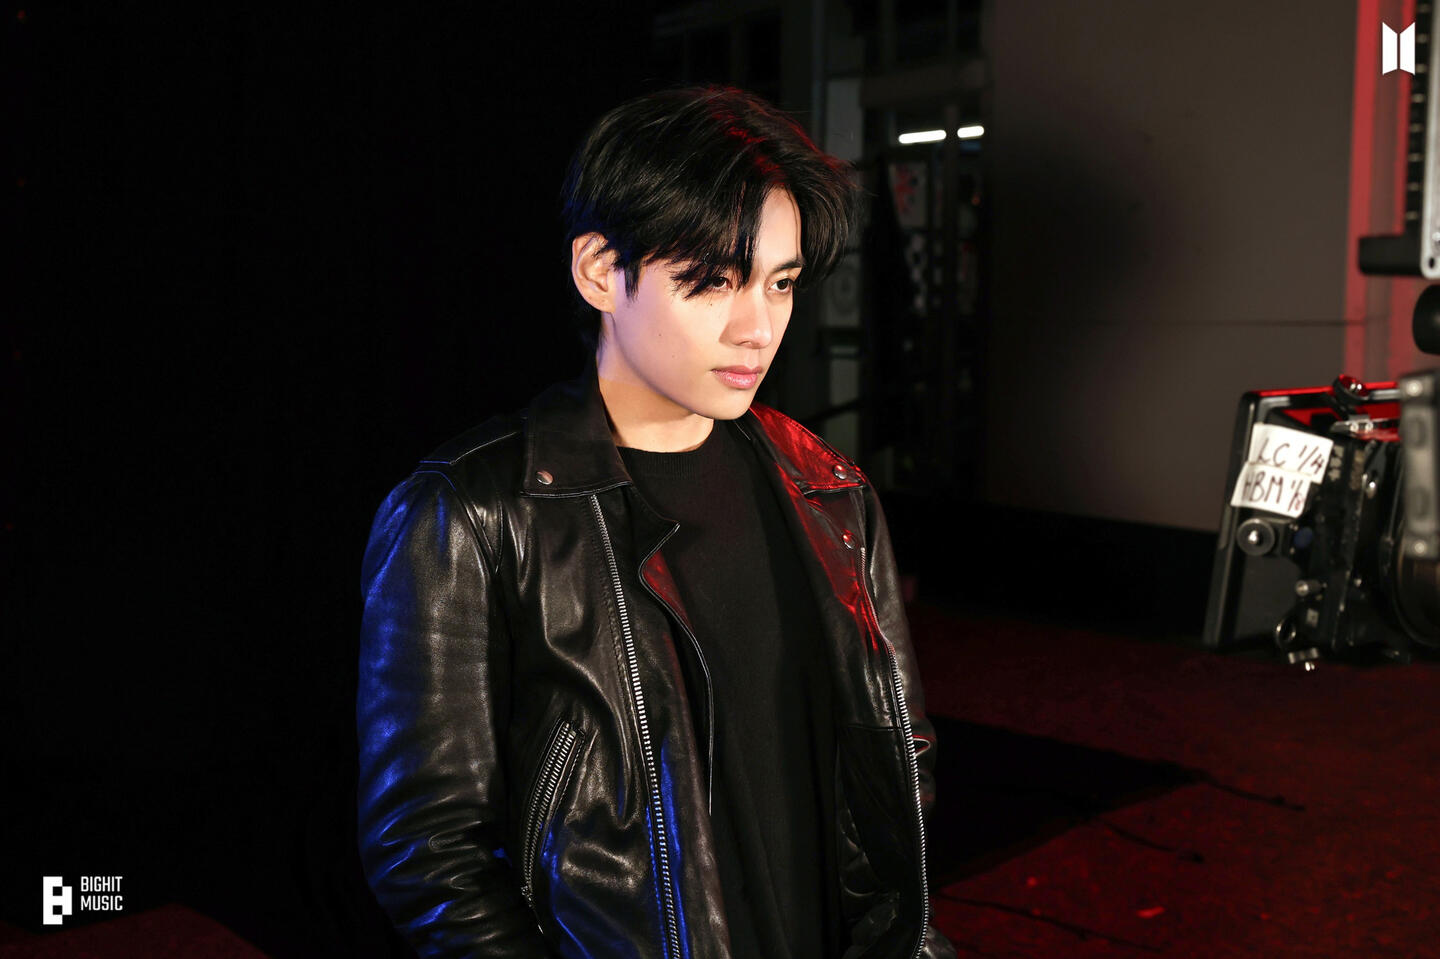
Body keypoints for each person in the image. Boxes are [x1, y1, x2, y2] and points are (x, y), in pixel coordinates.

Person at [357, 85, 955, 959]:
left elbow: (899, 754)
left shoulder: (828, 489)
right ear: (601, 271)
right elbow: (427, 848)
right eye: (713, 281)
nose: (758, 327)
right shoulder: (471, 512)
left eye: (781, 283)